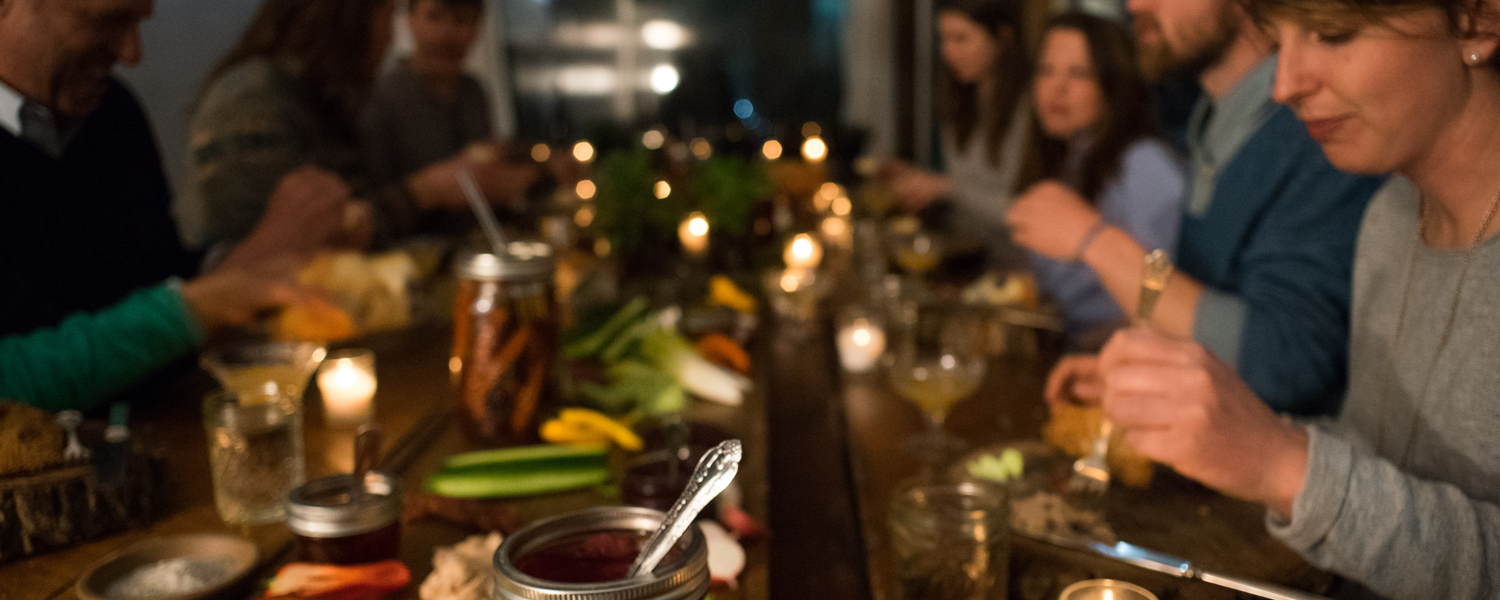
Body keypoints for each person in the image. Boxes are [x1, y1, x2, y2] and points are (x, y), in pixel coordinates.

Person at [1097, 0, 1500, 593]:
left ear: (1476, 21)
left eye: (1332, 35)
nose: (1285, 85)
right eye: (1277, 40)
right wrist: (1201, 411)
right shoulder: (1390, 216)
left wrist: (1283, 464)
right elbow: (1378, 455)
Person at [1020, 0, 1385, 416]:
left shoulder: (1314, 135)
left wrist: (1094, 241)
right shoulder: (1213, 122)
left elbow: (1289, 365)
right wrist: (1146, 374)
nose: (1135, 4)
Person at [0, 0, 352, 412]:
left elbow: (149, 277)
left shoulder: (113, 112)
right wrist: (208, 299)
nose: (133, 53)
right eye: (107, 20)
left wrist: (257, 264)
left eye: (137, 22)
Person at [185, 0, 535, 253]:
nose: (386, 40)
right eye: (386, 16)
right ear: (351, 16)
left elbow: (352, 220)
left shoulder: (323, 96)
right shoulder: (253, 102)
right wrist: (426, 190)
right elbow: (274, 253)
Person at [1008, 13, 1184, 349]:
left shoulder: (1145, 164)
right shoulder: (1070, 158)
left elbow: (1161, 301)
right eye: (1046, 71)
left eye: (1079, 73)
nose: (1057, 88)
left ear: (1113, 85)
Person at [880, 0, 1031, 267]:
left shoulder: (1030, 108)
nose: (948, 52)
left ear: (1003, 37)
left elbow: (1026, 213)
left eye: (961, 38)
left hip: (1015, 266)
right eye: (944, 39)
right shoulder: (959, 96)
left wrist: (945, 188)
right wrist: (920, 183)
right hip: (962, 254)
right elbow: (966, 186)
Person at [363, 0, 495, 237]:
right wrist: (430, 190)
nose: (446, 34)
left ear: (477, 29)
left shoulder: (474, 93)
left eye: (461, 20)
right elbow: (361, 212)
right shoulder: (380, 98)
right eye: (434, 17)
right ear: (409, 21)